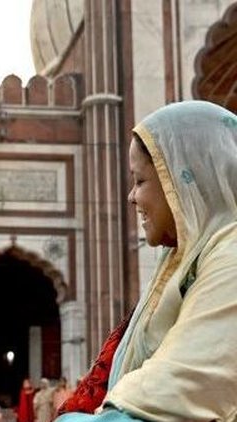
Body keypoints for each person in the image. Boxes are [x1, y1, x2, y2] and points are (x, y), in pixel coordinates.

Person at [56, 100, 237, 421]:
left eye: (140, 181)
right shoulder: (188, 260)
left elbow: (175, 391)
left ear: (183, 181)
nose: (131, 196)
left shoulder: (231, 258)